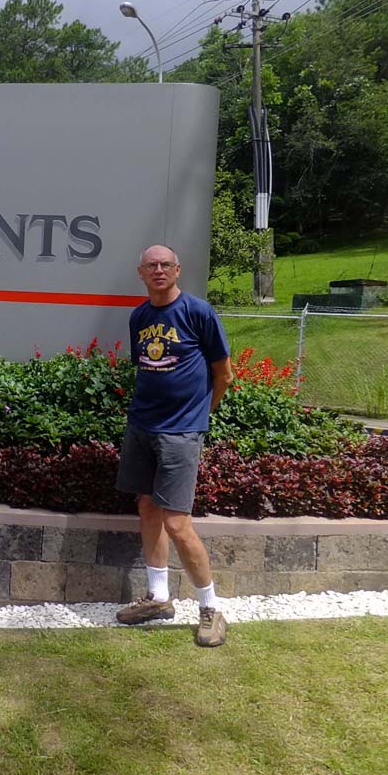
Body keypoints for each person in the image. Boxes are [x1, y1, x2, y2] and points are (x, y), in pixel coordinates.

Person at [114, 244, 233, 647]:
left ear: (178, 269)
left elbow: (224, 374)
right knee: (147, 507)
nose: (159, 270)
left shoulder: (199, 312)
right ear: (141, 272)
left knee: (178, 523)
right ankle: (159, 598)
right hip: (142, 427)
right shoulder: (140, 317)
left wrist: (200, 416)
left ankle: (211, 608)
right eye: (152, 265)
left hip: (181, 432)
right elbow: (146, 368)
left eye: (166, 264)